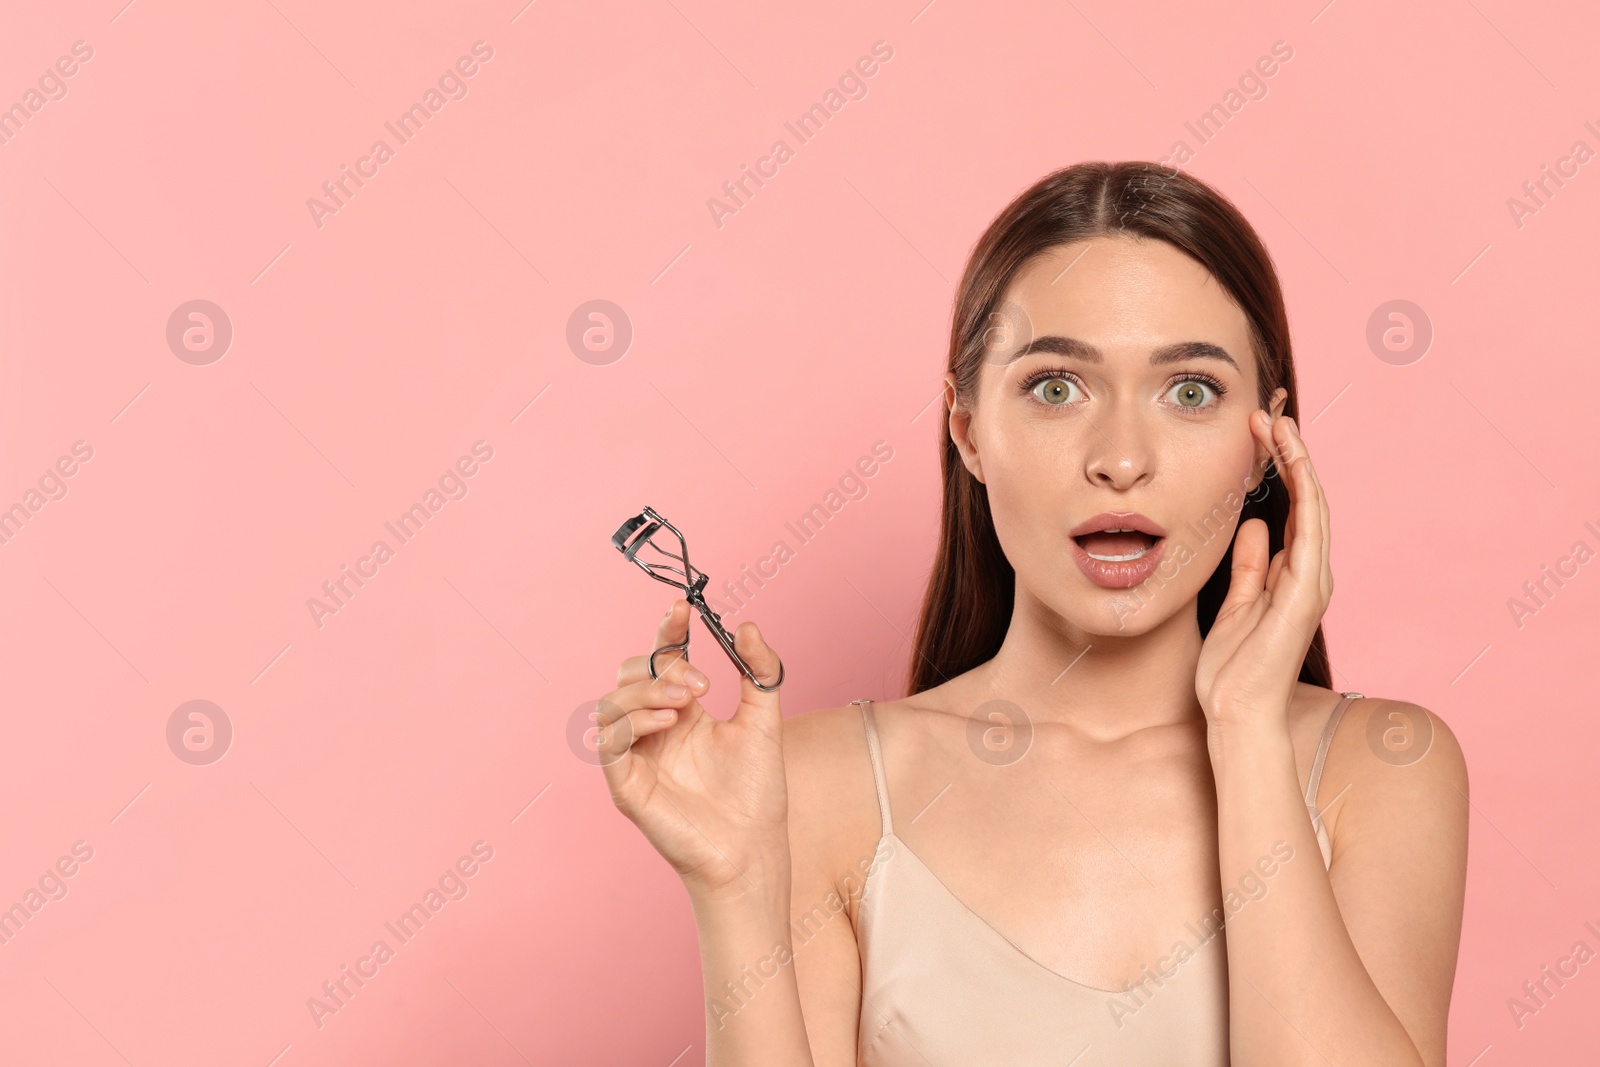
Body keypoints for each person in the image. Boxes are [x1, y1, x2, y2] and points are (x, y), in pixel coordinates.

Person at [593, 161, 1468, 1066]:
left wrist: (1245, 731)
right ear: (967, 428)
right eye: (1057, 386)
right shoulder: (820, 786)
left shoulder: (1384, 769)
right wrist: (734, 885)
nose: (1122, 459)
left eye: (1192, 390)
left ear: (1268, 443)